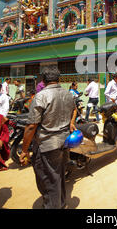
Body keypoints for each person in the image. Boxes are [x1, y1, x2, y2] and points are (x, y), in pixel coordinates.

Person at [19, 65, 77, 209]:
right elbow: (75, 109)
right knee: (59, 177)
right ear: (58, 79)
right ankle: (61, 204)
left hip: (47, 146)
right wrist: (71, 123)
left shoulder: (41, 96)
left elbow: (31, 126)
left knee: (49, 182)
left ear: (43, 80)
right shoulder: (68, 94)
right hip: (64, 143)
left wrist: (25, 150)